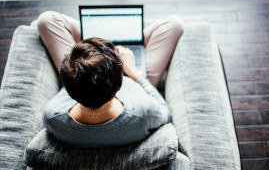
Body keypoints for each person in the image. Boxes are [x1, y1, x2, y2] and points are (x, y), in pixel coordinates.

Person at [37, 11, 184, 148]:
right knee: (175, 24)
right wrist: (132, 72)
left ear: (67, 85)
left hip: (92, 81)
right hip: (135, 82)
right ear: (121, 80)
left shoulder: (52, 116)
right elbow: (165, 112)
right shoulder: (144, 112)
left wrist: (84, 66)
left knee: (46, 20)